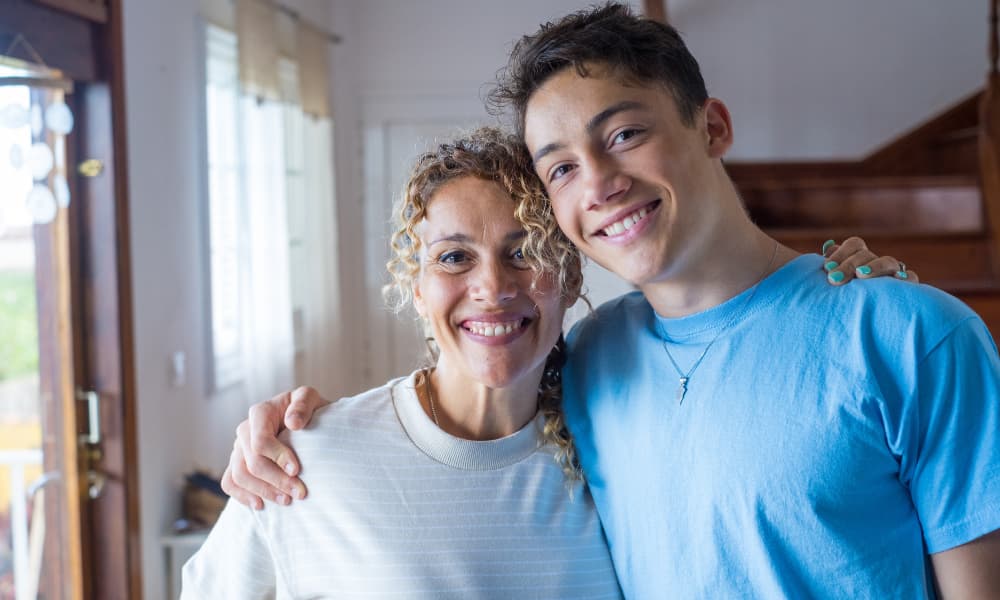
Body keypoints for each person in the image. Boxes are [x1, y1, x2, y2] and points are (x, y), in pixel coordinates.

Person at [225, 3, 1000, 597]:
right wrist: (282, 431)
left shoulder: (910, 334)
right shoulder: (592, 362)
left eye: (624, 134)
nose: (597, 182)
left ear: (714, 126)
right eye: (559, 167)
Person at [181, 128, 624, 599]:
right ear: (417, 289)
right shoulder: (303, 461)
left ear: (571, 276)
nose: (493, 288)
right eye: (454, 257)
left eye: (523, 252)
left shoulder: (612, 454)